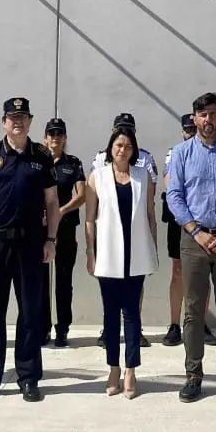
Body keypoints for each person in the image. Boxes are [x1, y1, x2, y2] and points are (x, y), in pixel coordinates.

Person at [0, 97, 61, 403]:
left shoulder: (41, 156)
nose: (17, 121)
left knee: (30, 312)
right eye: (12, 117)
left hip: (31, 244)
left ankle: (28, 377)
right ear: (4, 122)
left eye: (22, 117)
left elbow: (52, 202)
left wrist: (51, 239)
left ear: (30, 121)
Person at [166, 92, 216, 403]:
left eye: (213, 114)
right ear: (194, 119)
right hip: (194, 241)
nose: (208, 120)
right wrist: (195, 231)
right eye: (202, 115)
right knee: (193, 310)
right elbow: (174, 195)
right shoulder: (181, 153)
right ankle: (193, 375)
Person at [85, 125, 159, 398]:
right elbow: (89, 219)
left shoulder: (143, 176)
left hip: (136, 253)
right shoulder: (98, 177)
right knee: (110, 314)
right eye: (118, 145)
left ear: (134, 150)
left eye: (128, 146)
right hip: (108, 255)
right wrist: (90, 252)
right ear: (110, 148)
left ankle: (131, 370)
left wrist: (153, 248)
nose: (122, 150)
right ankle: (113, 368)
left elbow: (150, 214)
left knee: (132, 313)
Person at [91, 111, 154, 349]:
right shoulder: (100, 160)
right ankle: (108, 332)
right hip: (109, 238)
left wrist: (151, 244)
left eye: (129, 130)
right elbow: (94, 204)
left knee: (133, 295)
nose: (123, 148)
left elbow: (149, 204)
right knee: (110, 295)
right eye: (119, 130)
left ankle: (135, 331)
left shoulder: (145, 160)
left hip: (134, 236)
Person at [162, 114, 216, 348]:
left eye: (193, 130)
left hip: (204, 218)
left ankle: (200, 323)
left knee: (204, 271)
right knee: (177, 272)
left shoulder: (211, 151)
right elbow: (170, 183)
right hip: (180, 219)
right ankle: (175, 324)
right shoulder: (175, 153)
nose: (190, 134)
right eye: (187, 130)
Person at [42, 117, 86, 348]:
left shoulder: (73, 163)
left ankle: (62, 329)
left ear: (65, 137)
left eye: (59, 133)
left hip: (66, 227)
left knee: (63, 280)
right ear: (45, 137)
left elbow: (82, 195)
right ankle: (42, 328)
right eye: (52, 133)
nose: (55, 137)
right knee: (40, 281)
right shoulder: (38, 161)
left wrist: (60, 211)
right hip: (41, 229)